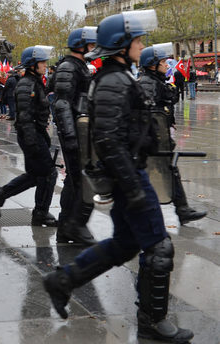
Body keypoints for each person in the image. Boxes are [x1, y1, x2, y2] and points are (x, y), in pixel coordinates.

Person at [43, 10, 194, 343]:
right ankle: (153, 323)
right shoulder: (113, 80)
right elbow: (109, 140)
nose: (142, 44)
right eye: (137, 39)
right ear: (122, 45)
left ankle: (63, 280)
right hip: (129, 176)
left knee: (126, 243)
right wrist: (132, 187)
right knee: (159, 247)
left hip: (130, 172)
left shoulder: (120, 76)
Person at [0, 45, 58, 227]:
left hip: (35, 134)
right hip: (31, 135)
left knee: (36, 175)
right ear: (32, 64)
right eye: (42, 62)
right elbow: (25, 116)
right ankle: (40, 212)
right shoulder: (27, 85)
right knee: (49, 174)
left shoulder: (35, 81)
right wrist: (33, 143)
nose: (45, 65)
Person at [139, 43, 206, 225]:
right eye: (163, 62)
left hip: (157, 139)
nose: (167, 65)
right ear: (153, 65)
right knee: (154, 173)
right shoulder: (148, 83)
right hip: (152, 141)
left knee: (169, 170)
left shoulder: (156, 80)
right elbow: (150, 113)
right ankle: (176, 210)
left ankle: (181, 209)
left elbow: (169, 99)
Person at [52, 27, 98, 246]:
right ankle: (69, 226)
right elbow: (62, 103)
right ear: (81, 45)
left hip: (79, 131)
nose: (93, 49)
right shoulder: (69, 67)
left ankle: (67, 227)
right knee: (76, 180)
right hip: (73, 133)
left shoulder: (77, 66)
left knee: (76, 179)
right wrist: (71, 136)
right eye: (90, 45)